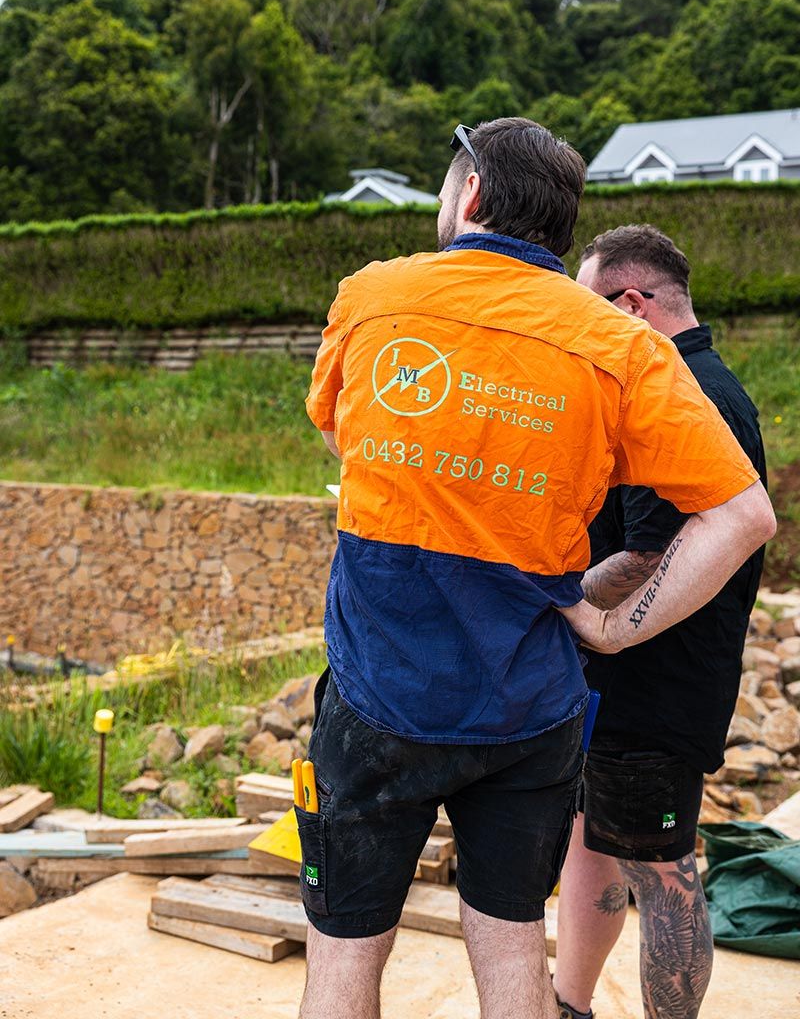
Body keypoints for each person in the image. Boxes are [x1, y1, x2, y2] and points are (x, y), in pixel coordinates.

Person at [302, 118, 774, 1019]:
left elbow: (337, 428)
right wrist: (606, 623)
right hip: (531, 712)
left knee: (346, 949)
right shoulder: (622, 347)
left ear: (470, 195)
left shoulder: (374, 296)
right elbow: (743, 515)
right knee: (511, 929)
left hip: (378, 696)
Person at [553, 224, 769, 1019]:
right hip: (618, 679)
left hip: (656, 688)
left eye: (589, 313)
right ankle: (567, 1005)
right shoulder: (672, 381)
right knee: (591, 843)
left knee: (665, 874)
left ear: (633, 304)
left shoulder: (687, 394)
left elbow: (645, 556)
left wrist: (552, 598)